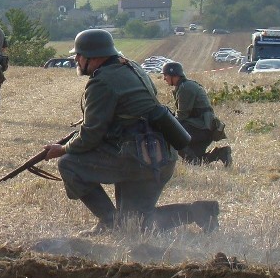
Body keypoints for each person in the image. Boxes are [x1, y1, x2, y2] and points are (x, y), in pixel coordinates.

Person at [42, 29, 219, 233]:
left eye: (78, 55)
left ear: (94, 57)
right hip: (157, 154)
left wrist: (62, 149)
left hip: (139, 159)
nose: (76, 59)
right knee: (135, 225)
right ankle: (200, 212)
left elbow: (90, 136)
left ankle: (110, 222)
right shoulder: (131, 66)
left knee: (69, 164)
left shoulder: (102, 82)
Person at [161, 61, 232, 167]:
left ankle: (192, 162)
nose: (164, 78)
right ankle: (221, 153)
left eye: (165, 75)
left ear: (173, 74)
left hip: (201, 128)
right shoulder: (185, 86)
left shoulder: (185, 88)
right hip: (203, 128)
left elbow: (181, 117)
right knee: (200, 160)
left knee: (172, 134)